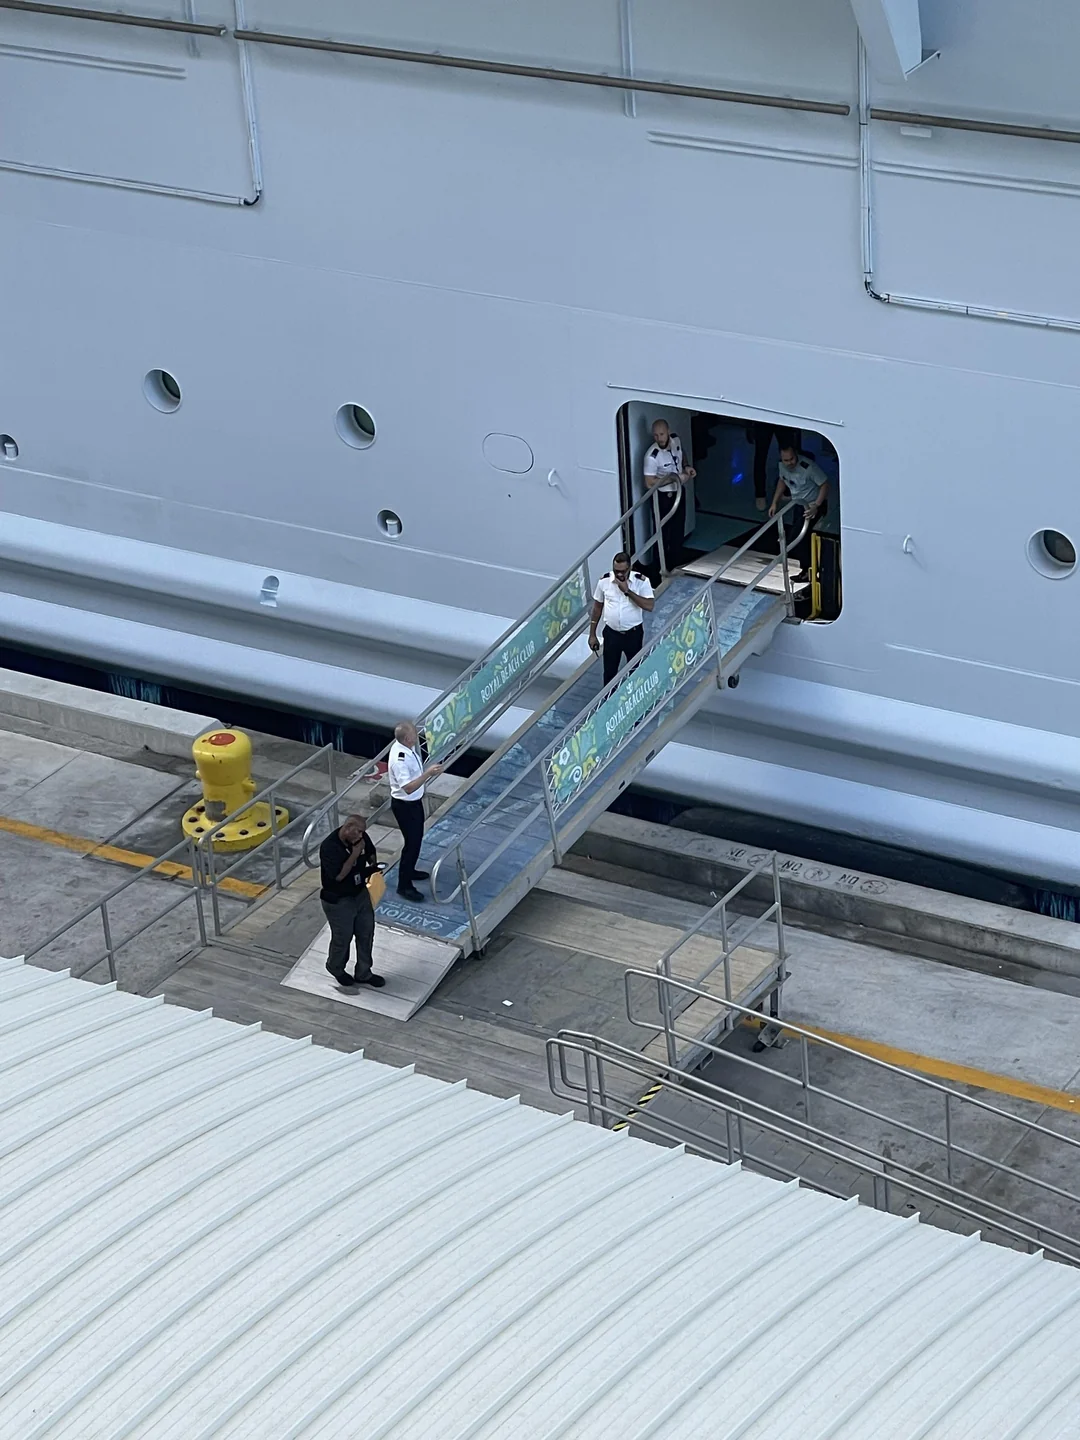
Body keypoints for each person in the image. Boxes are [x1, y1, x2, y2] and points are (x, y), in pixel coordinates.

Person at [319, 813, 385, 987]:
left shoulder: (360, 837)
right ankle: (335, 967)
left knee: (366, 932)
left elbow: (370, 852)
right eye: (358, 831)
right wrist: (354, 854)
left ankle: (364, 972)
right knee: (343, 938)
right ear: (347, 828)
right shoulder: (329, 847)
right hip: (338, 899)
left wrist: (373, 866)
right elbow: (339, 876)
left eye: (363, 832)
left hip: (360, 893)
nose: (361, 835)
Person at [388, 720, 443, 903]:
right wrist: (428, 774)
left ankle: (410, 871)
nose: (417, 736)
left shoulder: (406, 748)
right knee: (411, 845)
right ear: (407, 738)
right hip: (405, 806)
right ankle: (404, 886)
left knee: (416, 840)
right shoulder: (400, 760)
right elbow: (408, 788)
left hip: (414, 803)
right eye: (414, 734)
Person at [589, 551, 655, 686]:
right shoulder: (605, 581)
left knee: (635, 670)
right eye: (616, 571)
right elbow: (597, 608)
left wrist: (628, 591)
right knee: (609, 672)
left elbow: (649, 606)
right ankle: (608, 697)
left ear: (629, 568)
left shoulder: (641, 582)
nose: (619, 574)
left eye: (623, 571)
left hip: (633, 634)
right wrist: (592, 634)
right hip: (612, 634)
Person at [769, 442, 829, 582]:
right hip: (799, 504)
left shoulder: (808, 468)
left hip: (812, 505)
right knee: (799, 537)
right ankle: (807, 568)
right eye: (786, 460)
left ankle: (810, 570)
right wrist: (774, 502)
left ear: (796, 455)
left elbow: (825, 485)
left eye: (791, 459)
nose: (789, 463)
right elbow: (782, 481)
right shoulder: (782, 466)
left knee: (798, 537)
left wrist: (816, 505)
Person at [643, 418, 695, 576]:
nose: (659, 438)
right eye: (656, 435)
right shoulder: (652, 456)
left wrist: (686, 466)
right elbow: (649, 482)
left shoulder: (675, 440)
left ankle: (677, 563)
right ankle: (658, 569)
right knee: (662, 533)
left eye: (662, 434)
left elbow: (681, 453)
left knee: (678, 529)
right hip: (663, 497)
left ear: (668, 432)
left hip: (678, 491)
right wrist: (674, 479)